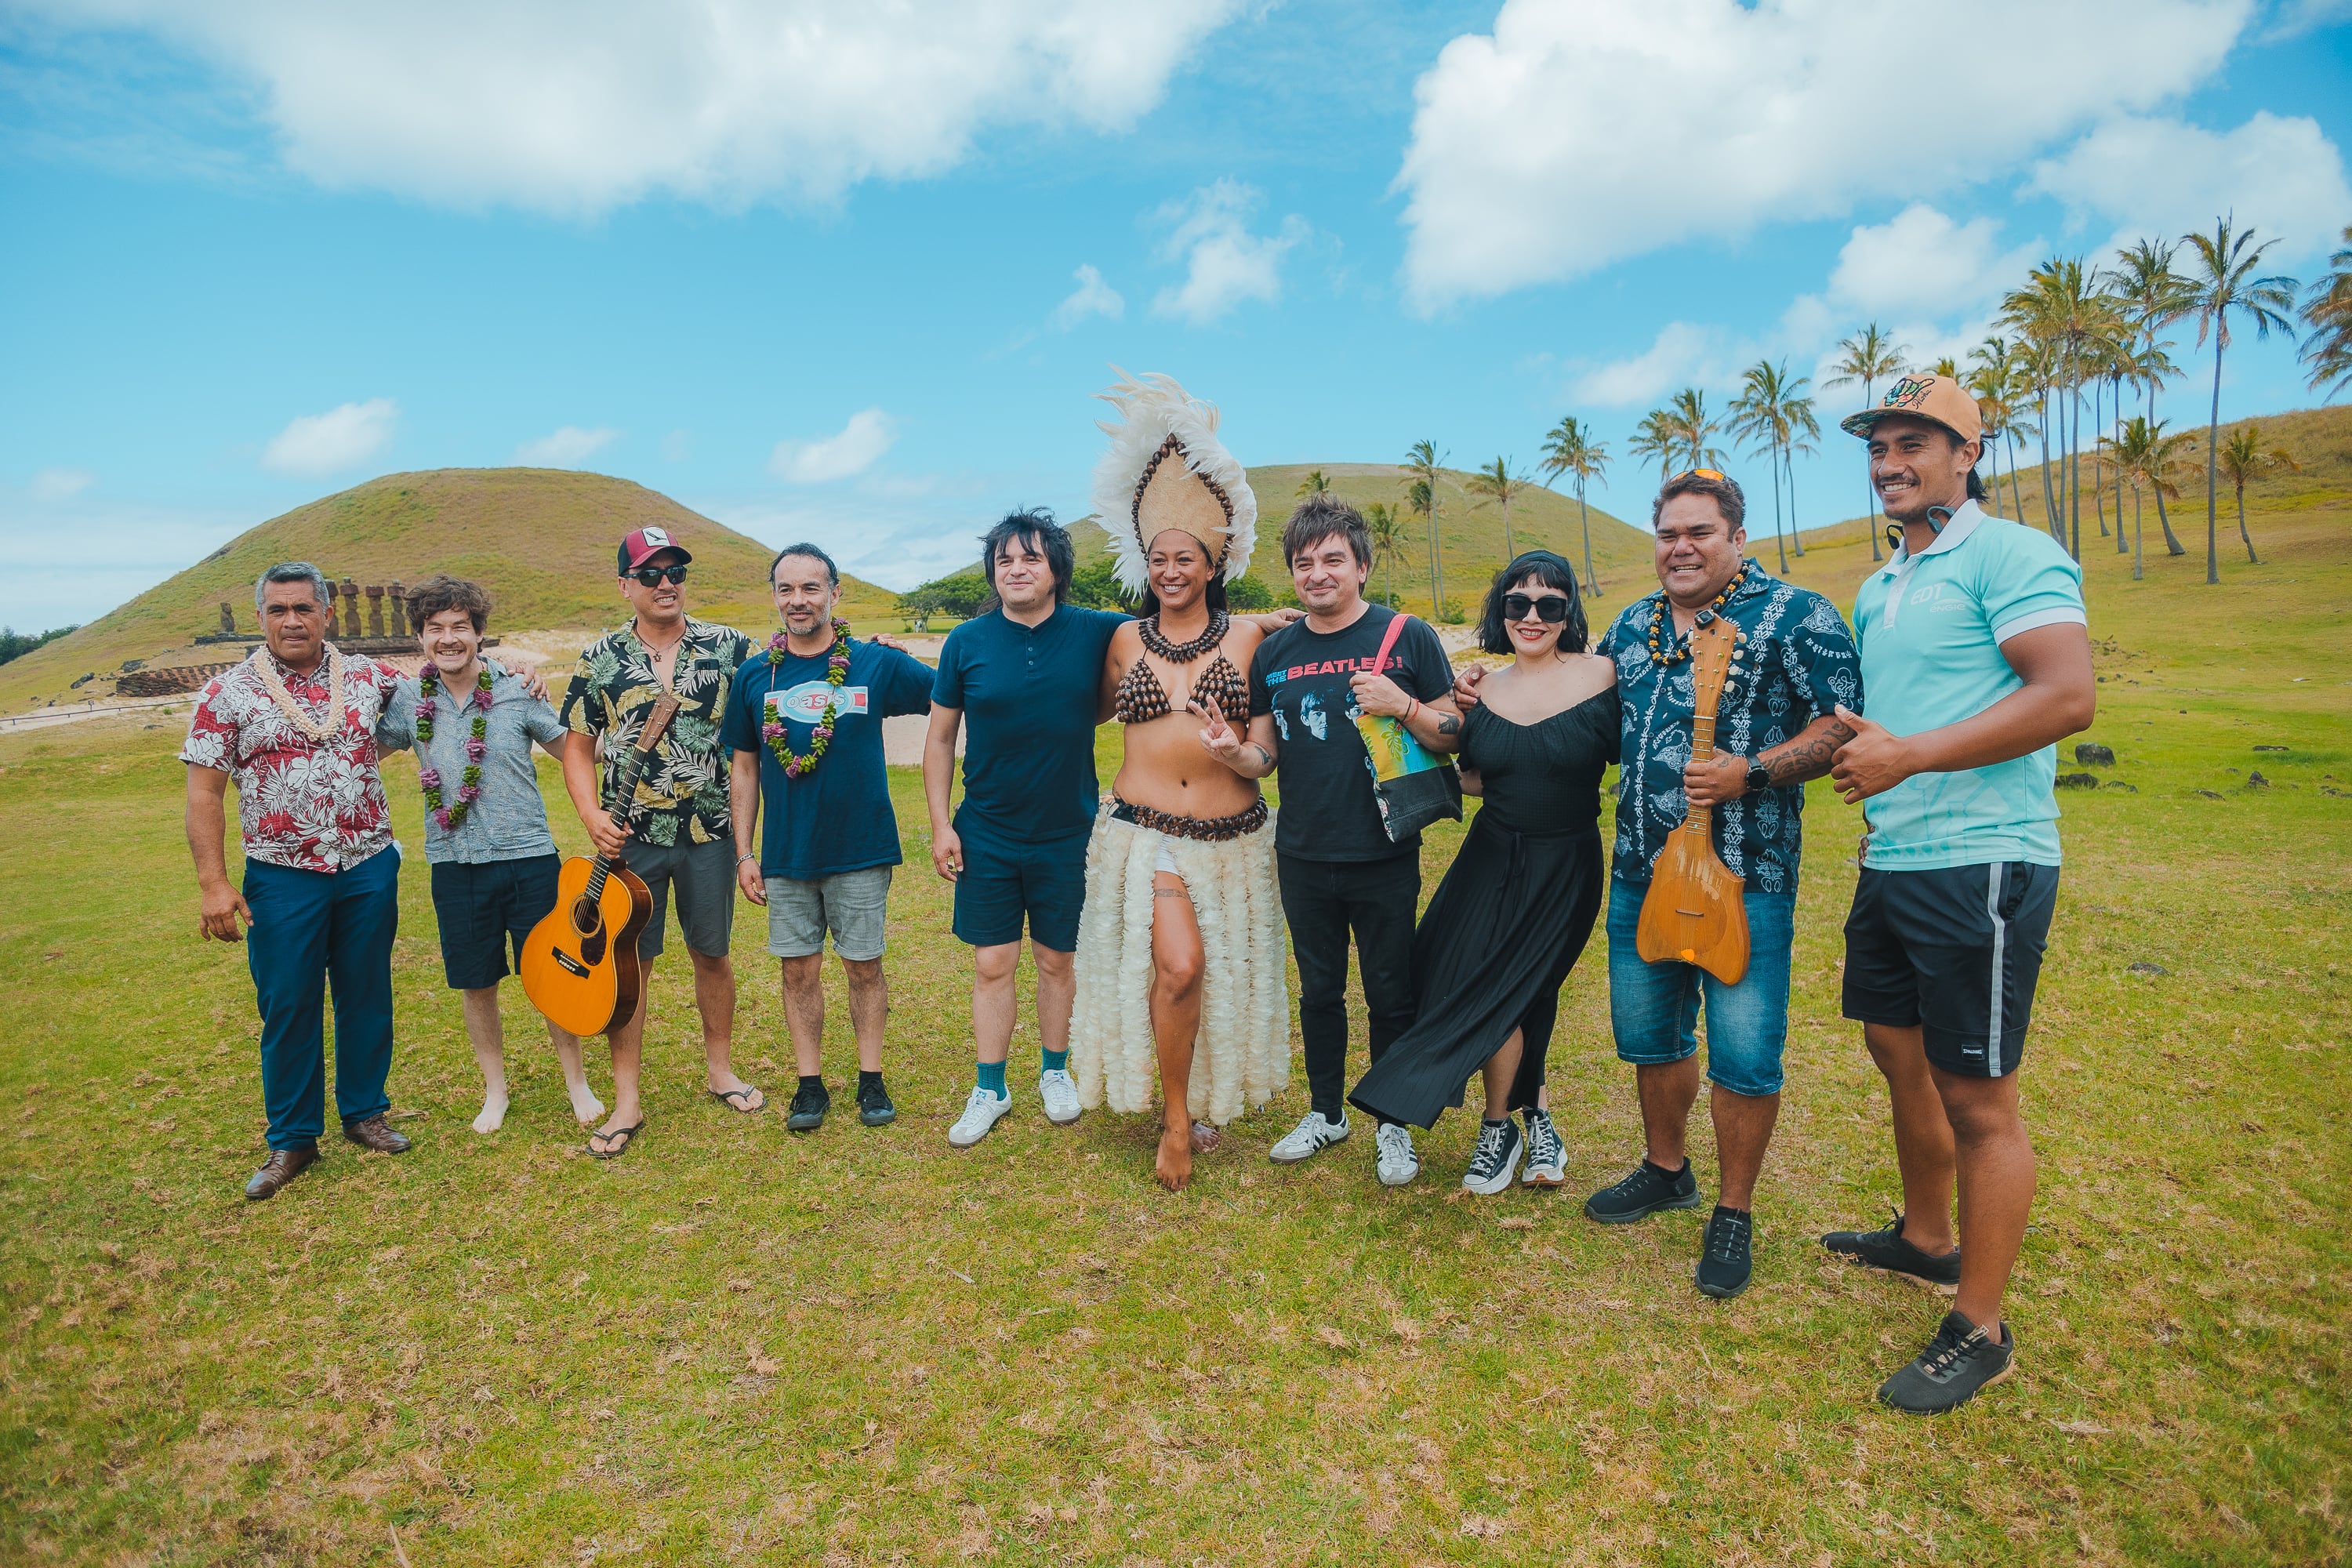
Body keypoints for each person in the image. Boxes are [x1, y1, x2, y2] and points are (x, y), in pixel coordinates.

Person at [1459, 470, 1860, 1295]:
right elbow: (1572, 702)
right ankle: (1665, 1166)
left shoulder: (1797, 615)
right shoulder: (1632, 626)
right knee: (1650, 1035)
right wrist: (1481, 693)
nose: (1681, 547)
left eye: (1700, 532)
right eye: (1669, 533)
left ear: (1736, 537)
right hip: (1641, 869)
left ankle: (1734, 1209)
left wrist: (1752, 771)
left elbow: (1840, 727)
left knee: (1745, 1053)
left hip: (1748, 875)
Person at [1821, 372, 2093, 1412]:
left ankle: (1980, 1326)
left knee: (1978, 1095)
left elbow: (2066, 694)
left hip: (1984, 860)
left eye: (1914, 443)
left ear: (1966, 455)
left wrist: (1915, 756)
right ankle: (1927, 1238)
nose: (1890, 461)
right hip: (1895, 859)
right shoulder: (1882, 583)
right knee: (1897, 1052)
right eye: (1879, 445)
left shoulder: (2012, 554)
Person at [1070, 372, 1289, 1190]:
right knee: (1181, 967)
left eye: (1184, 557)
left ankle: (1195, 1103)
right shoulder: (1120, 641)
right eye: (1158, 557)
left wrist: (1237, 754)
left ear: (1214, 561)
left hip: (1234, 841)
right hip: (1146, 834)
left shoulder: (1255, 641)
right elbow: (1074, 712)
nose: (1170, 569)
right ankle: (1171, 1121)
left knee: (1210, 977)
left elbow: (1267, 756)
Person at [1208, 492, 1462, 1188]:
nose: (1317, 574)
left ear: (1362, 566)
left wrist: (1403, 705)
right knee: (1319, 990)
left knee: (1389, 991)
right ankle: (1326, 1113)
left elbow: (1452, 735)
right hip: (1302, 850)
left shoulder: (1407, 637)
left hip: (1383, 851)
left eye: (1331, 560)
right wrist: (1233, 757)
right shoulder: (1277, 651)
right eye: (1303, 563)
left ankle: (1392, 1124)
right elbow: (1265, 754)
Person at [1348, 552, 1615, 1193]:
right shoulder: (1483, 690)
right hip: (1490, 857)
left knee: (1516, 986)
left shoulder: (1605, 675)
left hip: (1565, 864)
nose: (1532, 616)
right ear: (1502, 609)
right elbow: (1472, 778)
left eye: (1549, 605)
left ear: (1568, 613)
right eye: (1517, 602)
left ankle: (1499, 1129)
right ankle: (1537, 1121)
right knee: (1469, 977)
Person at [182, 562, 412, 1200]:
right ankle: (292, 1138)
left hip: (366, 862)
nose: (292, 620)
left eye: (304, 608)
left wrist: (514, 673)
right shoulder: (227, 693)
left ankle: (365, 1112)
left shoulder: (368, 676)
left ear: (326, 614)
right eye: (279, 610)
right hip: (282, 875)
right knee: (287, 1003)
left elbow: (448, 686)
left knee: (367, 991)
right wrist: (213, 884)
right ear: (260, 618)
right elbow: (205, 793)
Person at [923, 510, 1127, 1148]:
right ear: (993, 571)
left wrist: (1263, 622)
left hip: (1069, 831)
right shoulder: (966, 642)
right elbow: (939, 737)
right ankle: (991, 1086)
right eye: (1005, 559)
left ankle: (1055, 1071)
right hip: (985, 829)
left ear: (1056, 570)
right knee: (993, 961)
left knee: (1057, 958)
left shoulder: (1097, 630)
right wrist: (939, 824)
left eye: (1032, 558)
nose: (1017, 568)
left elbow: (1182, 629)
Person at [558, 526, 760, 1159]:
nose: (665, 583)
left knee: (713, 955)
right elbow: (577, 746)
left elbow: (796, 667)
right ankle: (626, 1099)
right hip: (630, 841)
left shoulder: (730, 648)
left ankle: (720, 1070)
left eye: (674, 572)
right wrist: (591, 815)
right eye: (650, 574)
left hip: (709, 833)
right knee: (630, 968)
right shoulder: (601, 658)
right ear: (626, 585)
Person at [378, 575, 605, 1135]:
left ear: (480, 633)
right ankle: (495, 1092)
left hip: (530, 858)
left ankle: (578, 1084)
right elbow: (364, 754)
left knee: (552, 975)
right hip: (454, 863)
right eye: (436, 629)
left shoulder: (516, 689)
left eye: (460, 627)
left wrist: (615, 727)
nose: (448, 638)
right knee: (475, 982)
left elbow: (572, 752)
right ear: (421, 639)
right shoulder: (408, 701)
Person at [724, 543, 938, 1134]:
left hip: (861, 846)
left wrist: (907, 656)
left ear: (834, 594)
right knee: (798, 971)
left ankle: (871, 1080)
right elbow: (743, 768)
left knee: (864, 966)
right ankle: (809, 1085)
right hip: (786, 855)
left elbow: (950, 694)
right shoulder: (753, 676)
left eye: (811, 588)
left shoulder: (873, 663)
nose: (799, 600)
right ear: (775, 597)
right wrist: (745, 851)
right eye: (787, 589)